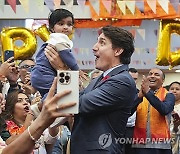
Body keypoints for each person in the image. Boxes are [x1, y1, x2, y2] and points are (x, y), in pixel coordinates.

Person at [65, 25, 136, 153]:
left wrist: (64, 71)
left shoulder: (122, 81)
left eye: (102, 42)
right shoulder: (100, 78)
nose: (94, 47)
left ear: (118, 51)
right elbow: (70, 101)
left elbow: (77, 104)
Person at [1, 78, 76, 154]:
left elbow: (51, 138)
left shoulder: (37, 122)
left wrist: (53, 120)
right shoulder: (5, 126)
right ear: (11, 106)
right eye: (19, 101)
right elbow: (12, 143)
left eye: (27, 100)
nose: (25, 103)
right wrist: (32, 111)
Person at [31, 8, 86, 101]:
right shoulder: (60, 38)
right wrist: (76, 69)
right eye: (61, 24)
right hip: (46, 75)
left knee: (48, 93)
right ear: (52, 28)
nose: (65, 27)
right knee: (56, 92)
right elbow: (67, 55)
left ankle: (43, 103)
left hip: (39, 74)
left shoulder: (52, 40)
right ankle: (45, 103)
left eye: (69, 24)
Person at [132, 68, 175, 154]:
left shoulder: (169, 95)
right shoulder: (139, 94)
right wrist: (139, 97)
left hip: (161, 145)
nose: (152, 76)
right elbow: (128, 112)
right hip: (140, 144)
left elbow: (164, 110)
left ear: (162, 81)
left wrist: (148, 93)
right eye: (150, 74)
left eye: (156, 74)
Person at [123, 67, 139, 154]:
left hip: (134, 130)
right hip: (119, 129)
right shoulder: (117, 93)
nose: (133, 81)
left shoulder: (141, 94)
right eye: (131, 78)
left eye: (135, 79)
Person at [169, 81, 180, 154]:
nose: (174, 91)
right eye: (172, 89)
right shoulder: (164, 105)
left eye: (177, 89)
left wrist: (176, 127)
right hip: (166, 139)